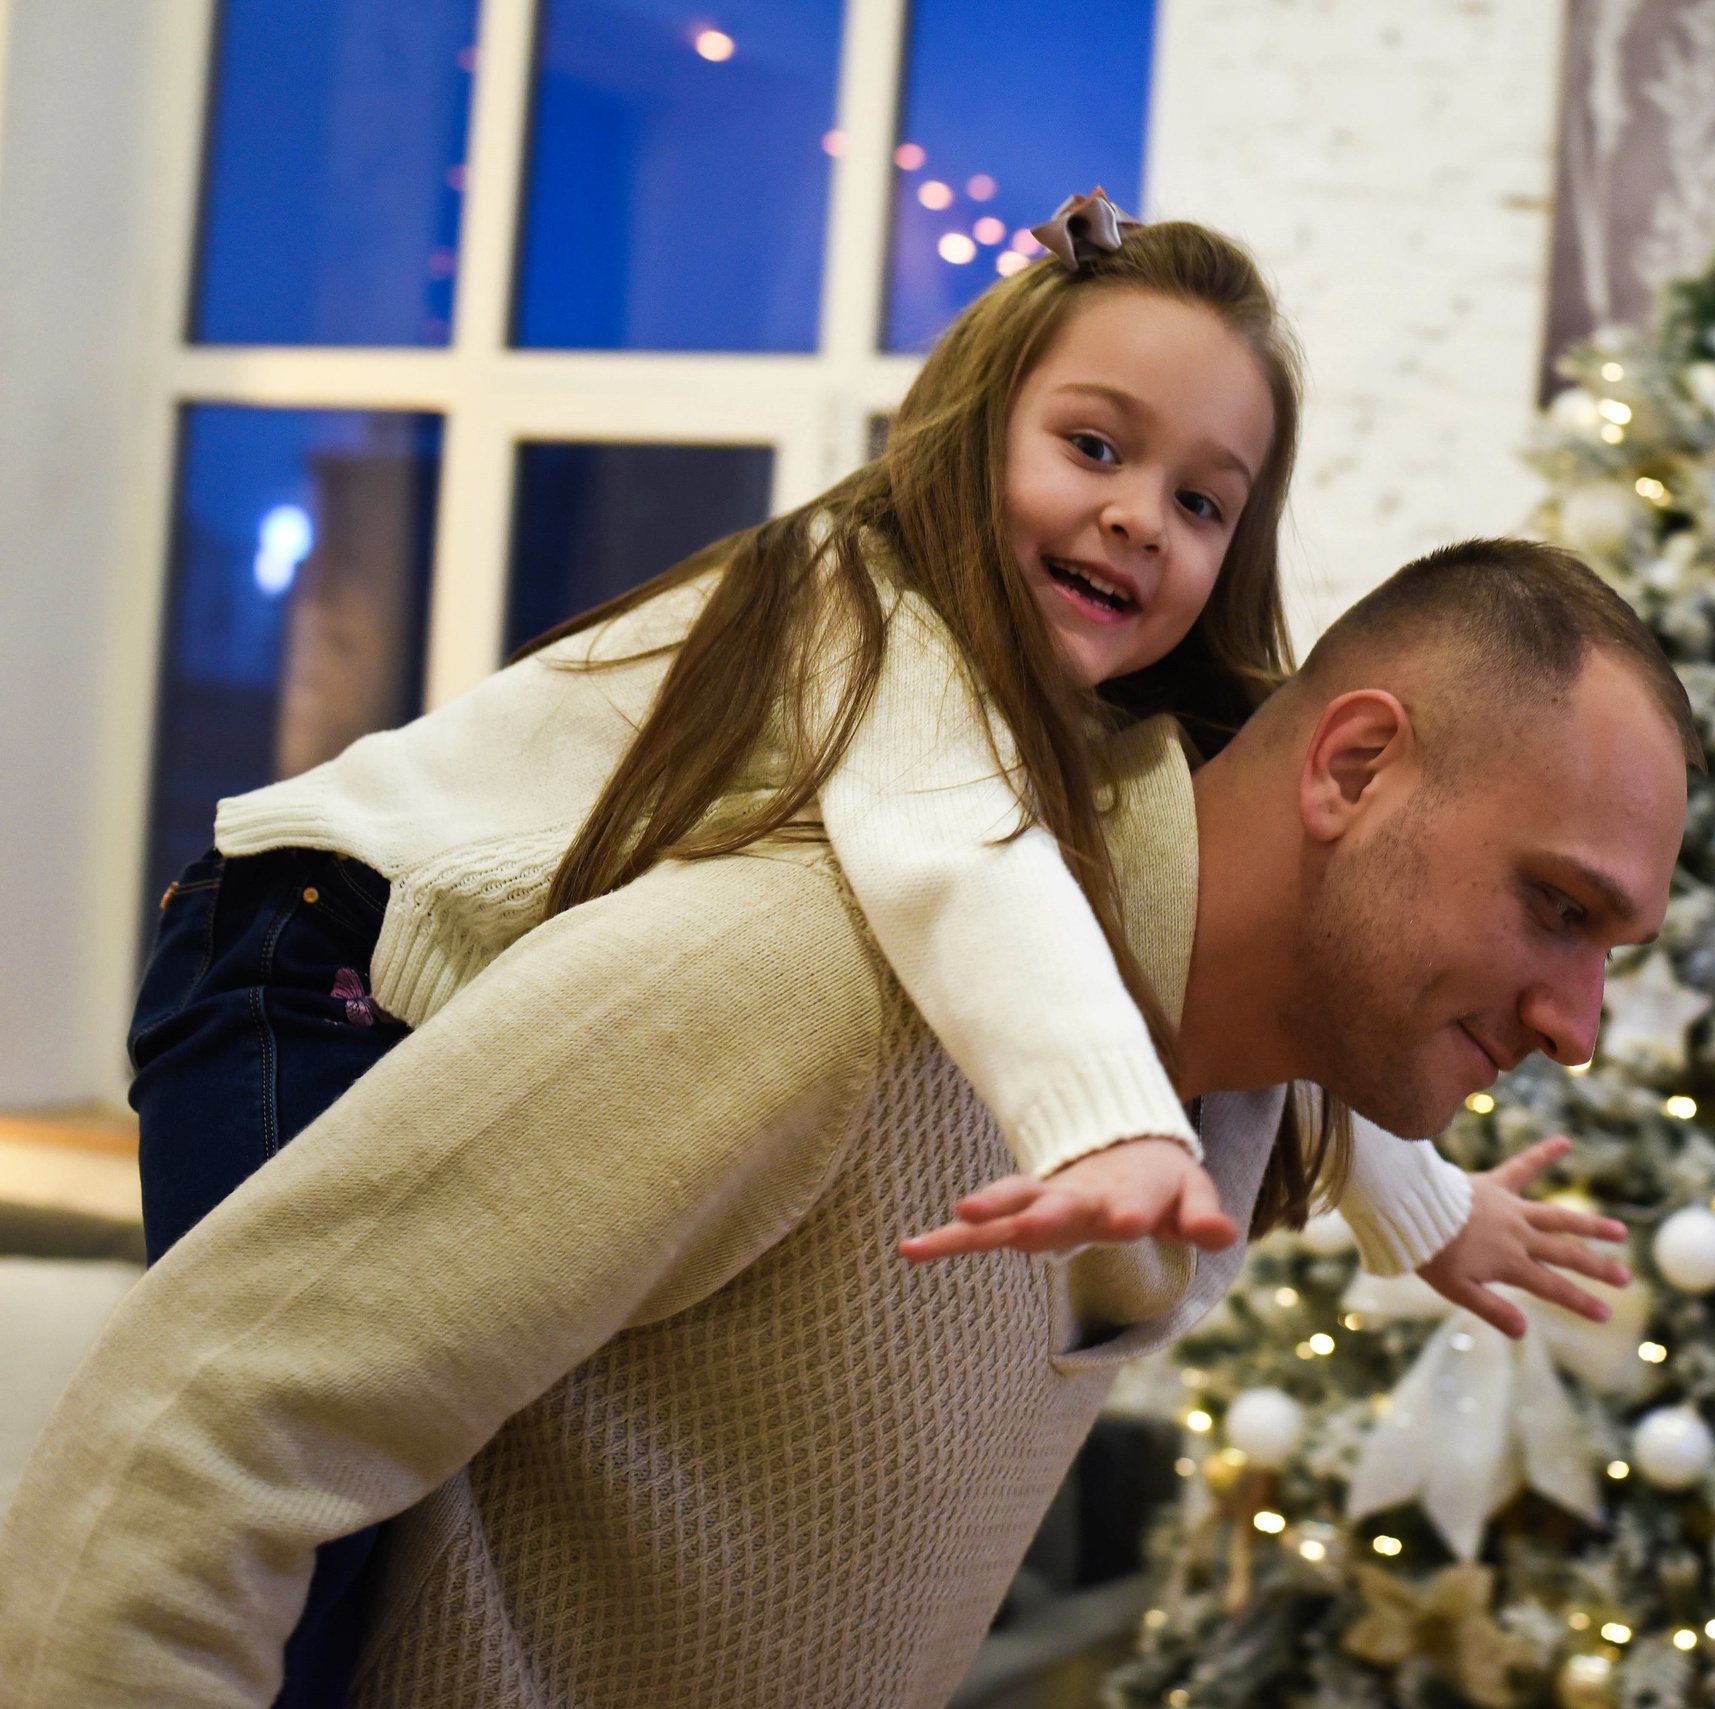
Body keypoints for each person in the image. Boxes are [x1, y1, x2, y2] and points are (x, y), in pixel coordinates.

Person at [123, 203, 1521, 1702]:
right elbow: (965, 875)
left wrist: (1427, 1209)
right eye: (1095, 449)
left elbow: (1302, 956)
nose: (1138, 518)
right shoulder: (863, 608)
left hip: (427, 975)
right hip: (314, 947)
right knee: (307, 1496)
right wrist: (1105, 1117)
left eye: (1202, 503)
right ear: (969, 431)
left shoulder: (1084, 732)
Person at [0, 537, 1700, 1709]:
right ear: (1350, 769)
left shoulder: (1257, 1099)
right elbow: (185, 1439)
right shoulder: (813, 974)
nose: (1578, 1024)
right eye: (1557, 908)